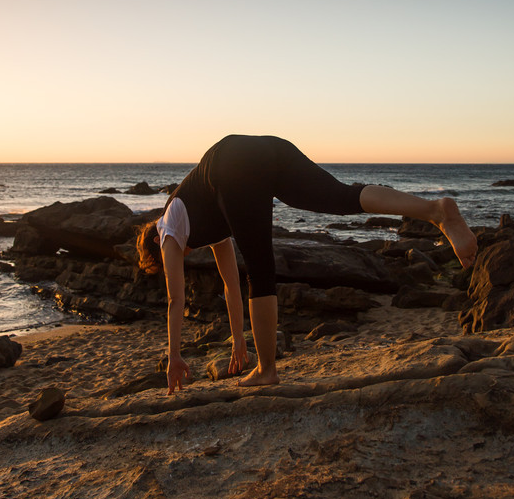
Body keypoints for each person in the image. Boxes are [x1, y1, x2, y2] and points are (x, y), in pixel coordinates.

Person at [136, 135, 477, 393]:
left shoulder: (167, 227)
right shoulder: (203, 213)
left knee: (261, 271)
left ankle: (267, 371)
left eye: (168, 259)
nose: (181, 257)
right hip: (268, 149)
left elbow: (175, 299)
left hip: (231, 164)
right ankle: (435, 211)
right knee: (341, 196)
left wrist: (174, 356)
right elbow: (230, 286)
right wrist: (238, 340)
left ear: (155, 243)